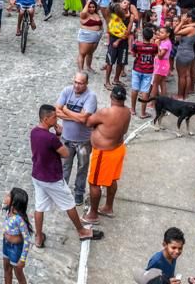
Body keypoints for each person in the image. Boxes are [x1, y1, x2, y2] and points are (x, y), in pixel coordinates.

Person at [30, 104, 104, 248]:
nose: (56, 119)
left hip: (37, 176)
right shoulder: (50, 138)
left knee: (39, 207)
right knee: (69, 203)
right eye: (54, 117)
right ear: (46, 119)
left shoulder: (34, 132)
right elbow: (66, 153)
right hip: (52, 178)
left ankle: (38, 237)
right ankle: (82, 231)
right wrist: (59, 136)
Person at [82, 84, 131, 224]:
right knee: (111, 180)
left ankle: (92, 215)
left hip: (105, 153)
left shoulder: (105, 112)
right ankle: (108, 207)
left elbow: (88, 122)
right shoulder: (127, 111)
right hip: (118, 149)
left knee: (94, 183)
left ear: (111, 96)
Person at [55, 72, 97, 206]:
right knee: (64, 166)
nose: (77, 85)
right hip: (66, 139)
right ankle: (63, 192)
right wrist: (77, 117)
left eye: (80, 83)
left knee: (82, 168)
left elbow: (84, 118)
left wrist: (66, 111)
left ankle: (79, 193)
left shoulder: (91, 97)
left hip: (83, 141)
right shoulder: (67, 91)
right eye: (75, 82)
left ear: (86, 84)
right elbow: (56, 111)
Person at [2, 187, 33, 284]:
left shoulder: (19, 219)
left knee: (18, 273)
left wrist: (22, 259)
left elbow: (27, 239)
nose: (6, 195)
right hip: (6, 245)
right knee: (6, 269)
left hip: (15, 249)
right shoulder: (8, 210)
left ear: (14, 203)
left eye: (9, 195)